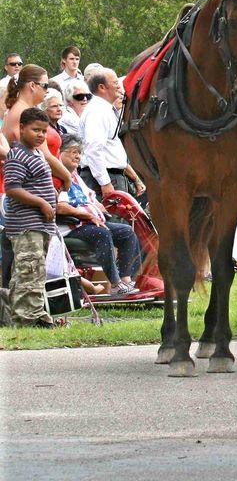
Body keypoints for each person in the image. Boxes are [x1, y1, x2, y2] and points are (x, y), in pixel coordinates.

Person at [54, 134, 140, 295]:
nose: (78, 156)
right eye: (73, 152)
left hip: (90, 223)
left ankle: (125, 280)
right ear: (59, 153)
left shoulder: (76, 176)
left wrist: (114, 209)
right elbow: (61, 208)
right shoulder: (59, 177)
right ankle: (115, 283)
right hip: (72, 225)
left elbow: (93, 200)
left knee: (126, 232)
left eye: (79, 152)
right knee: (102, 233)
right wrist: (88, 216)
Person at [3, 107, 58, 327]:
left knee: (31, 271)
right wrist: (42, 202)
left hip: (40, 225)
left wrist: (51, 194)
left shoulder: (35, 153)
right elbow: (12, 188)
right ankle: (29, 318)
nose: (40, 135)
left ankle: (32, 313)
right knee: (30, 270)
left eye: (44, 131)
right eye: (35, 130)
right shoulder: (18, 154)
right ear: (22, 128)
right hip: (26, 225)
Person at [3, 64, 72, 188]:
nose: (47, 90)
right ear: (32, 86)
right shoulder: (23, 112)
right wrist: (67, 178)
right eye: (45, 86)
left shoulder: (17, 109)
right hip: (32, 187)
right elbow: (42, 155)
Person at [79, 69, 142, 198]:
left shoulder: (106, 109)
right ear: (102, 87)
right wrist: (105, 182)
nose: (119, 86)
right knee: (110, 218)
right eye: (115, 83)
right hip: (104, 178)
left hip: (113, 176)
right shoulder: (97, 111)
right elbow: (94, 148)